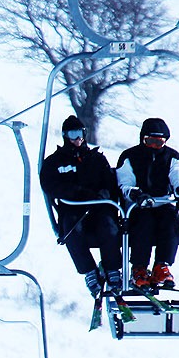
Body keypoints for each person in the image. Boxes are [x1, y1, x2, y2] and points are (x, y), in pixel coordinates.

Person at [40, 114, 125, 298]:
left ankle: (112, 270)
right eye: (72, 134)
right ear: (65, 136)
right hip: (73, 210)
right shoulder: (55, 162)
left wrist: (105, 193)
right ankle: (89, 271)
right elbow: (50, 185)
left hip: (99, 208)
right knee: (72, 232)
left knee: (109, 227)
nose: (77, 138)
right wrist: (78, 193)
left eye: (80, 133)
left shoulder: (96, 159)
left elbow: (111, 183)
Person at [114, 117, 179, 291]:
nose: (154, 146)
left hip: (163, 203)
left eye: (159, 142)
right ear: (143, 139)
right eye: (150, 141)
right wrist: (136, 194)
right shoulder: (130, 156)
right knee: (144, 222)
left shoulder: (171, 157)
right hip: (139, 206)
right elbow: (124, 181)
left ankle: (161, 266)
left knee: (171, 219)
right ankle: (139, 268)